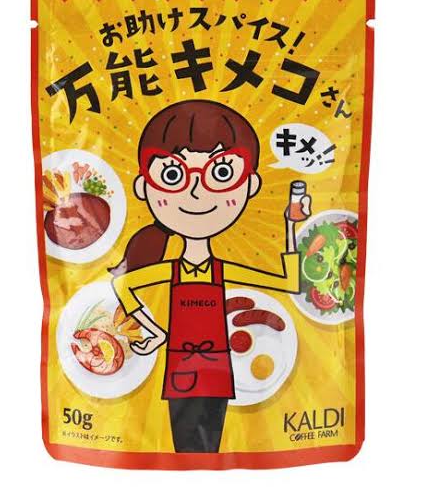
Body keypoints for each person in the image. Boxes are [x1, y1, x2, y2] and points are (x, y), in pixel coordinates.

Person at [111, 99, 311, 453]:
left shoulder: (220, 270)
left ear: (250, 184)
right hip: (179, 375)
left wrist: (291, 225)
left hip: (219, 376)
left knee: (211, 449)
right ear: (144, 187)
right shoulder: (172, 270)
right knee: (185, 453)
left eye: (220, 174)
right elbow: (122, 284)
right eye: (173, 175)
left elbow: (289, 283)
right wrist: (156, 332)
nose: (195, 191)